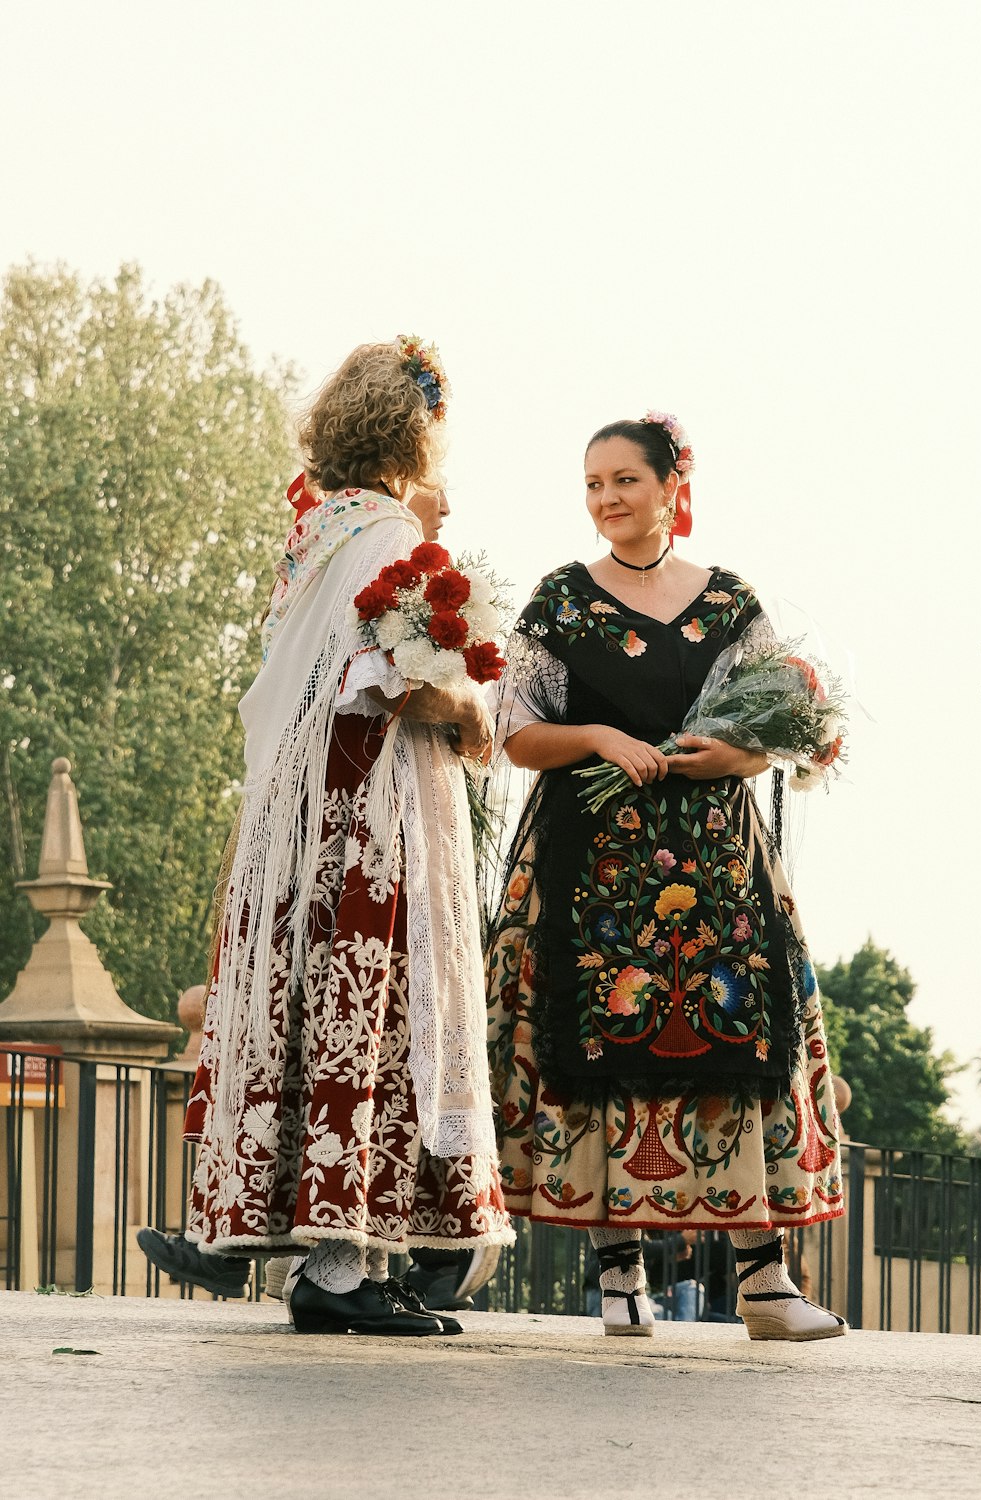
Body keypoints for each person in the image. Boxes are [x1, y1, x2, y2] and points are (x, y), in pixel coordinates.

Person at [172, 339, 513, 1336]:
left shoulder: (319, 529)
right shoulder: (389, 534)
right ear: (419, 431)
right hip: (372, 805)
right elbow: (390, 677)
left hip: (302, 806)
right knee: (374, 1001)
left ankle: (340, 1259)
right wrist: (467, 711)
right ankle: (338, 1265)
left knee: (323, 997)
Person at [486, 412, 846, 1342]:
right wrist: (603, 737)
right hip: (588, 867)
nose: (608, 500)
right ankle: (618, 1280)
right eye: (593, 485)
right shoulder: (560, 602)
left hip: (717, 865)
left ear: (671, 485)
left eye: (625, 482)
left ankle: (765, 1285)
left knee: (736, 1043)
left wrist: (720, 757)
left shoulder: (730, 604)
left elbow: (770, 739)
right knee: (600, 1049)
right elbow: (514, 730)